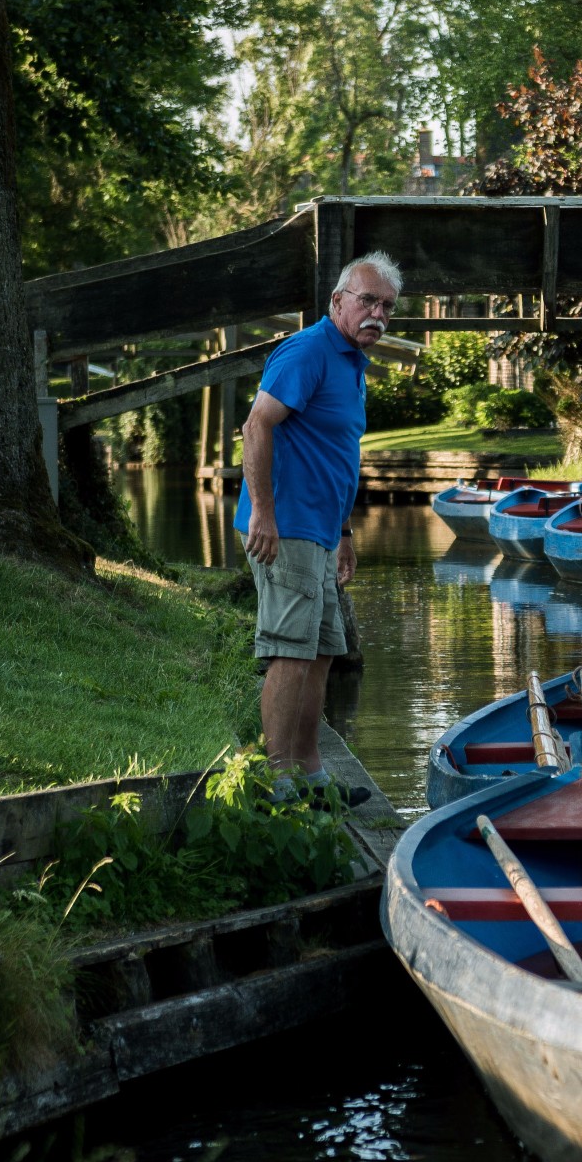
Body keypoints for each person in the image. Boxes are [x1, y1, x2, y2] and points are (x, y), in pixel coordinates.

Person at [234, 251, 403, 805]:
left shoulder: (353, 363)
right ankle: (274, 779)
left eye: (386, 305)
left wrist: (347, 535)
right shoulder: (307, 351)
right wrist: (263, 512)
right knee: (289, 650)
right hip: (287, 527)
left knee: (324, 649)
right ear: (337, 302)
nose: (376, 312)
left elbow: (337, 455)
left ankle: (311, 776)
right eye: (367, 300)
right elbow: (257, 425)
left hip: (324, 534)